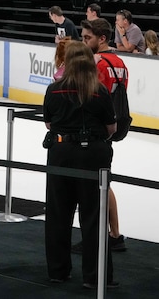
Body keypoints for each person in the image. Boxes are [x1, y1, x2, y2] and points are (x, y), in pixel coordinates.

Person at [43, 41, 117, 289]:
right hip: (92, 155)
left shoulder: (54, 90)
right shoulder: (99, 91)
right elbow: (111, 128)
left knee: (58, 213)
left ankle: (57, 271)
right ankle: (95, 276)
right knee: (94, 216)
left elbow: (49, 124)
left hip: (61, 152)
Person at [79, 18, 129, 253]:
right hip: (111, 127)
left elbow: (90, 96)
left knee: (94, 186)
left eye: (87, 37)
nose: (83, 41)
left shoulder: (98, 65)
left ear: (102, 39)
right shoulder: (120, 63)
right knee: (104, 183)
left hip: (94, 130)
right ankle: (115, 234)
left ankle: (95, 239)